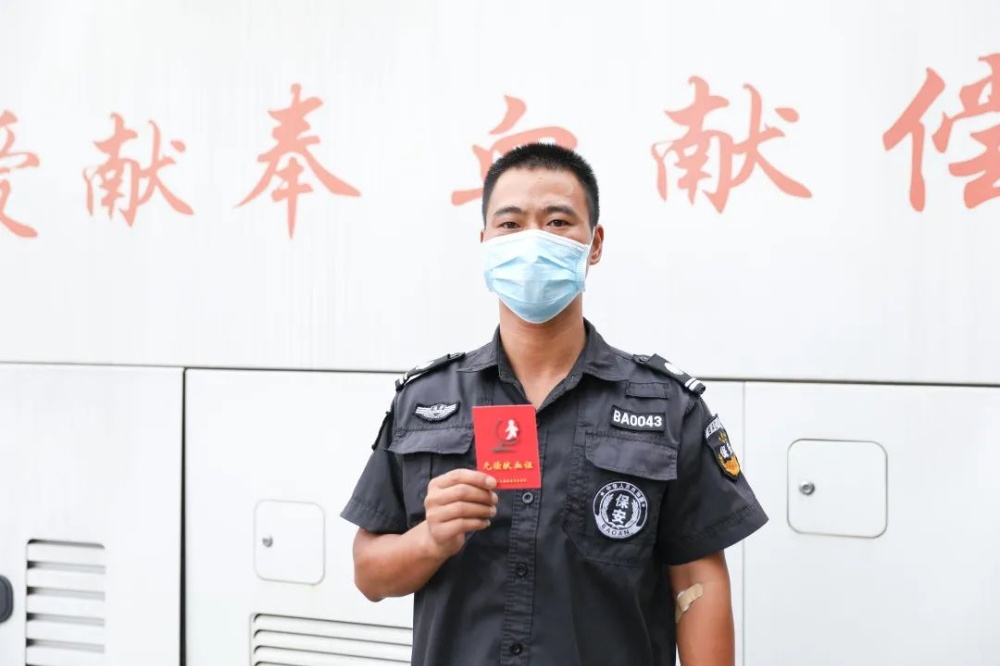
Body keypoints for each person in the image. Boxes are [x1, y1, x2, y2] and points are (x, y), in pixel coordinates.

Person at [341, 143, 767, 665]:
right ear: (484, 243)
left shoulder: (667, 407)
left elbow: (698, 582)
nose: (533, 241)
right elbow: (369, 573)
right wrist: (429, 539)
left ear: (594, 243)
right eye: (511, 224)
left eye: (558, 222)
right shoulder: (425, 399)